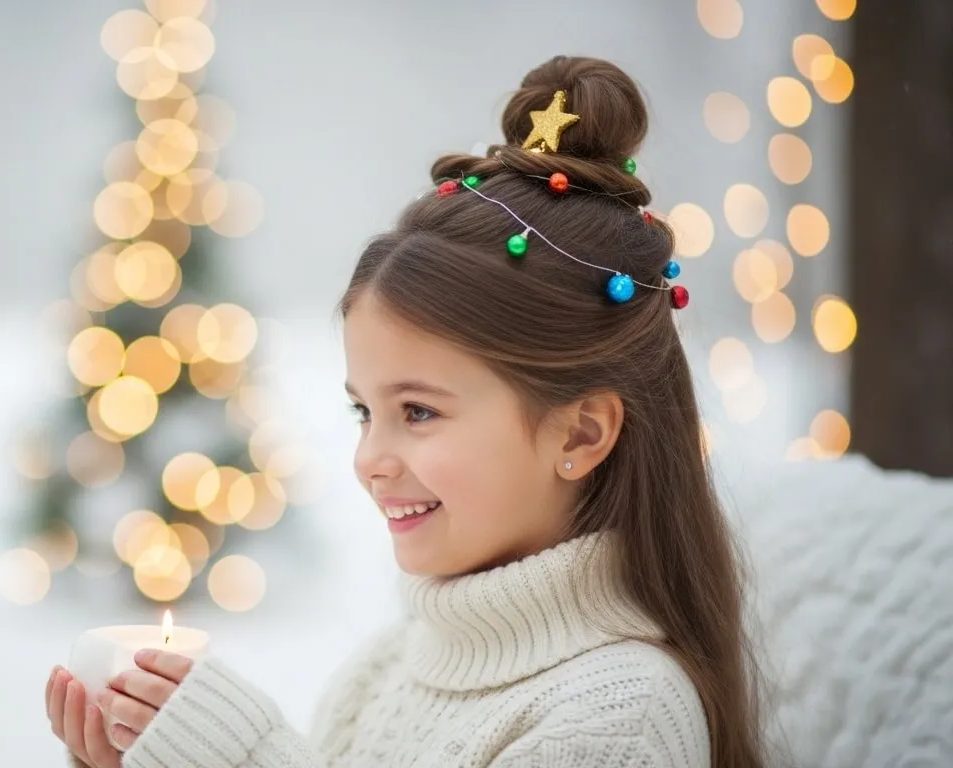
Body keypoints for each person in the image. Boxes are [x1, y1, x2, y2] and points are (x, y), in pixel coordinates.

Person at [45, 54, 770, 768]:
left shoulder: (621, 723)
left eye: (418, 412)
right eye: (364, 412)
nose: (370, 461)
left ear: (580, 432)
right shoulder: (397, 662)